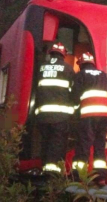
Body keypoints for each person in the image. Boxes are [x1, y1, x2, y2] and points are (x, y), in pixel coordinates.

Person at [71, 52, 107, 185]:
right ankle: (100, 177)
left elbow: (75, 95)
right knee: (99, 145)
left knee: (84, 144)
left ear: (81, 64)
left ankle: (79, 176)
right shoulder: (102, 74)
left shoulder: (80, 75)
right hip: (103, 115)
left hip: (89, 114)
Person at [35, 42, 75, 174]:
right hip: (60, 116)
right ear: (63, 55)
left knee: (45, 142)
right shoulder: (68, 69)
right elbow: (73, 91)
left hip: (42, 116)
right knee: (57, 143)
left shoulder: (41, 68)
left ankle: (45, 168)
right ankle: (52, 174)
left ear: (51, 53)